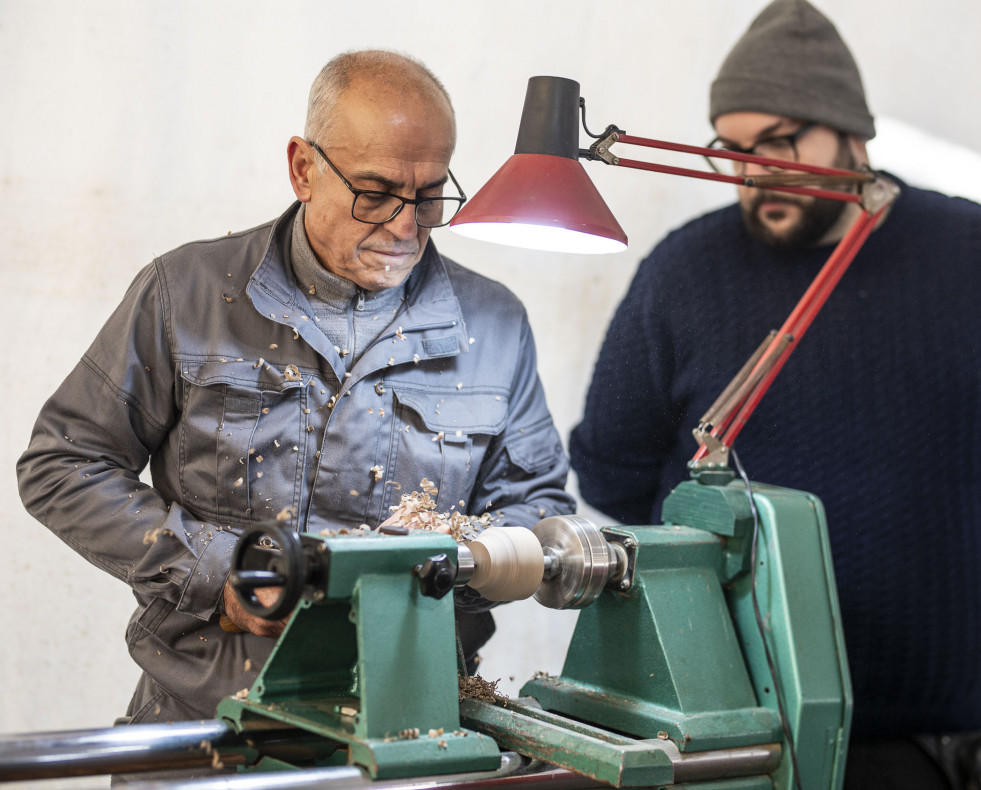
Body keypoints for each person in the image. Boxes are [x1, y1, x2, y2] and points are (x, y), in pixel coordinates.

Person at [18, 49, 575, 727]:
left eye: (429, 196)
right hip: (204, 721)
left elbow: (534, 505)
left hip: (409, 720)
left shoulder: (492, 326)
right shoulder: (186, 295)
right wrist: (219, 568)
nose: (405, 227)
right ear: (303, 169)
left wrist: (466, 553)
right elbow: (63, 462)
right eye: (375, 193)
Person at [569, 1, 981, 788]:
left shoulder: (963, 254)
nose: (756, 172)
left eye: (780, 142)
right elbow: (610, 471)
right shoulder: (684, 275)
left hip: (944, 733)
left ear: (850, 134)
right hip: (747, 733)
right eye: (732, 148)